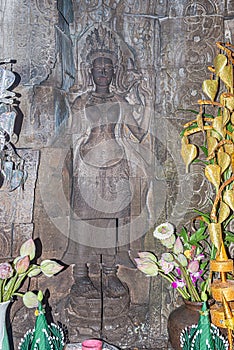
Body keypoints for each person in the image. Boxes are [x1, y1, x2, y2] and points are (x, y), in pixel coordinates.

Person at [65, 27, 150, 299]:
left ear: (114, 72)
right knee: (83, 221)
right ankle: (81, 275)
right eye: (98, 67)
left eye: (108, 68)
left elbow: (137, 132)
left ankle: (110, 272)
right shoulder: (81, 101)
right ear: (90, 71)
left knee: (113, 222)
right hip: (88, 165)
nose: (103, 72)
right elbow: (70, 135)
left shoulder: (120, 100)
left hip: (116, 166)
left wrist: (142, 99)